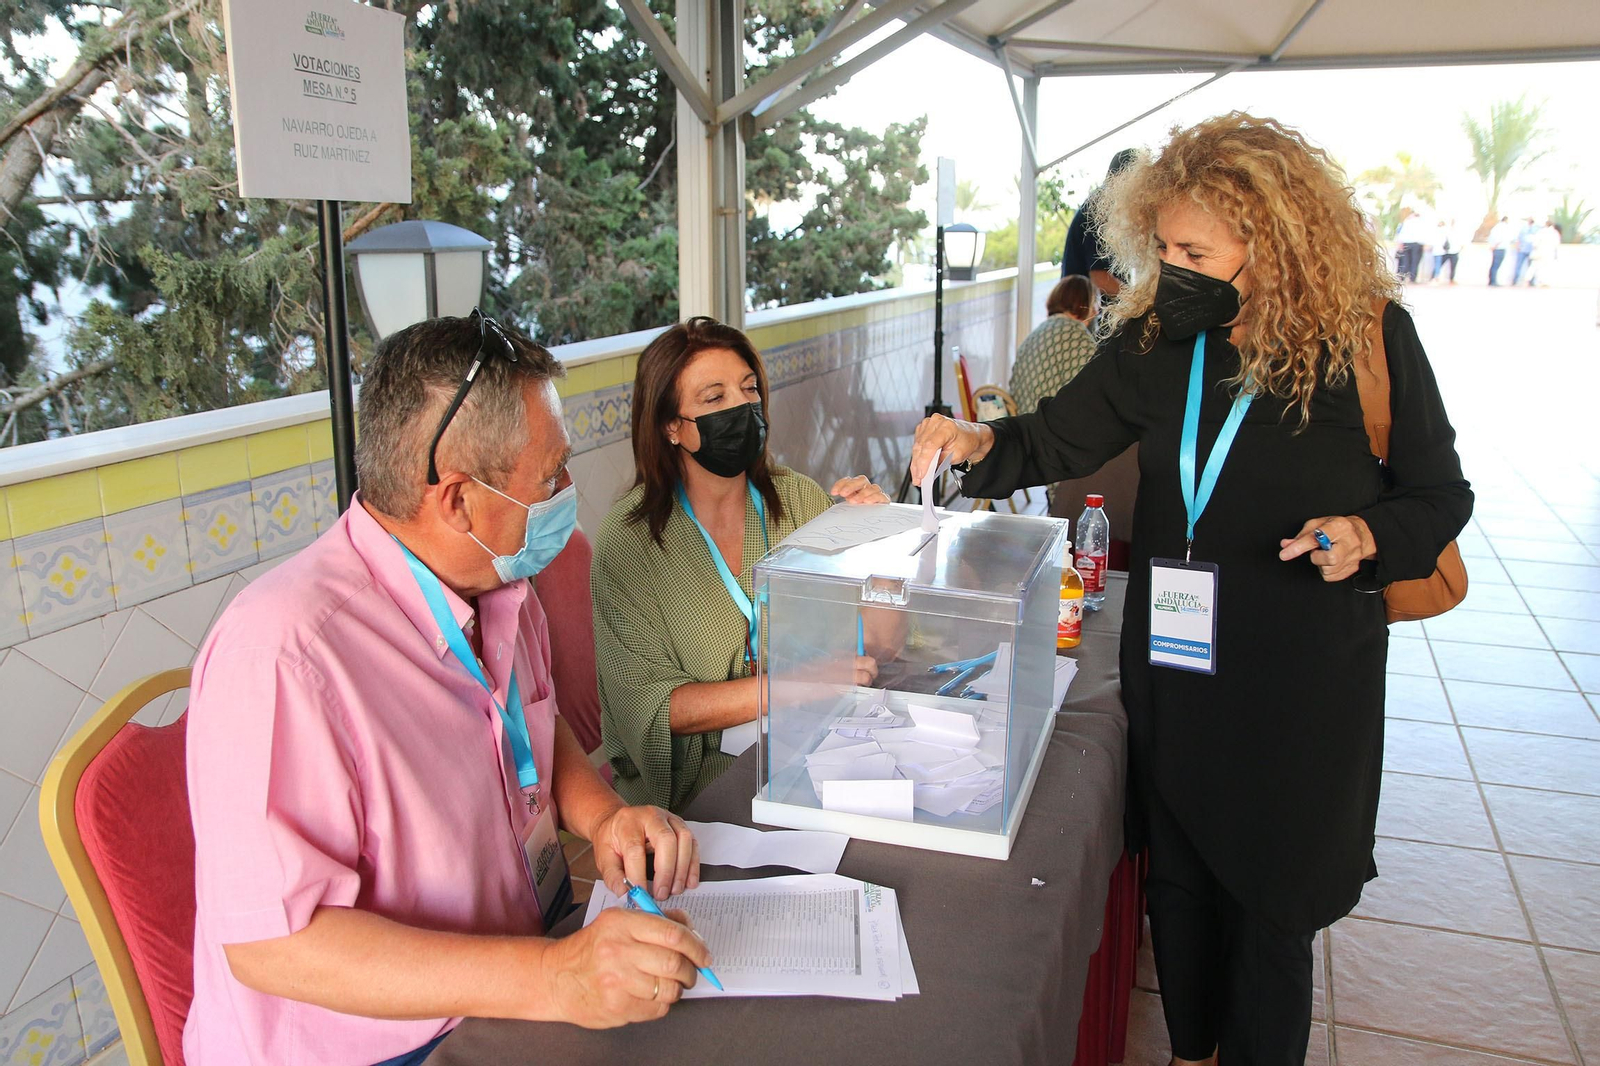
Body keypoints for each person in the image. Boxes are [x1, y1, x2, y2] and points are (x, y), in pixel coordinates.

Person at [910, 113, 1472, 1066]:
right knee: (1180, 882)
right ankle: (1189, 1050)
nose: (1172, 266)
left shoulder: (1366, 338)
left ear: (1276, 241)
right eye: (1162, 246)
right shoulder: (1166, 337)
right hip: (1177, 663)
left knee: (1269, 908)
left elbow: (1440, 492)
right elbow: (1055, 436)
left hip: (1299, 681)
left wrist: (1370, 536)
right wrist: (978, 445)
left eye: (1195, 249)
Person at [185, 314, 714, 1066]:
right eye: (551, 476)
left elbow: (532, 724)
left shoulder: (498, 581)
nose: (569, 491)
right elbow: (277, 945)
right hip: (376, 1045)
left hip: (511, 971)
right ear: (459, 500)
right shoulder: (283, 656)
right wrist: (555, 978)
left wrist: (604, 820)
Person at [593, 316, 888, 812]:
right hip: (696, 790)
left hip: (808, 752)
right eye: (714, 398)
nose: (742, 406)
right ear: (671, 426)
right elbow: (652, 705)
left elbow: (877, 643)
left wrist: (878, 541)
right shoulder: (630, 540)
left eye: (749, 390)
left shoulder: (798, 500)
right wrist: (799, 685)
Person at [1009, 274, 1100, 417]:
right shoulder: (1077, 334)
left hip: (1025, 425)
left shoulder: (1038, 332)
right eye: (1094, 303)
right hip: (1051, 429)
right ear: (1084, 304)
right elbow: (1093, 393)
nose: (1096, 312)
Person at [1061, 148, 1140, 297]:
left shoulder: (1111, 208)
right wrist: (1137, 301)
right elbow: (1100, 278)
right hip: (1081, 312)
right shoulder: (1100, 210)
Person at [1528, 217, 1563, 286]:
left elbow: (1535, 242)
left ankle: (1534, 281)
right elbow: (1557, 243)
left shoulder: (1541, 231)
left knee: (1537, 267)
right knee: (1547, 268)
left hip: (1540, 252)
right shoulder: (1555, 233)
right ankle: (1545, 282)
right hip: (1550, 253)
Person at [1487, 215, 1515, 285]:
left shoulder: (1496, 227)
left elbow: (1491, 237)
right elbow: (1500, 238)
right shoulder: (1503, 227)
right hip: (1500, 248)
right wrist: (1495, 245)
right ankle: (1493, 281)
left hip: (1496, 247)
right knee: (1496, 265)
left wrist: (1492, 246)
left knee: (1494, 265)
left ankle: (1491, 280)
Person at [1511, 217, 1539, 285]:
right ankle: (1515, 280)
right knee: (1519, 265)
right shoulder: (1523, 228)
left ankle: (1531, 281)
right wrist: (1517, 246)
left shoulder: (1536, 229)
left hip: (1530, 250)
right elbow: (1518, 238)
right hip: (1523, 249)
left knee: (1531, 267)